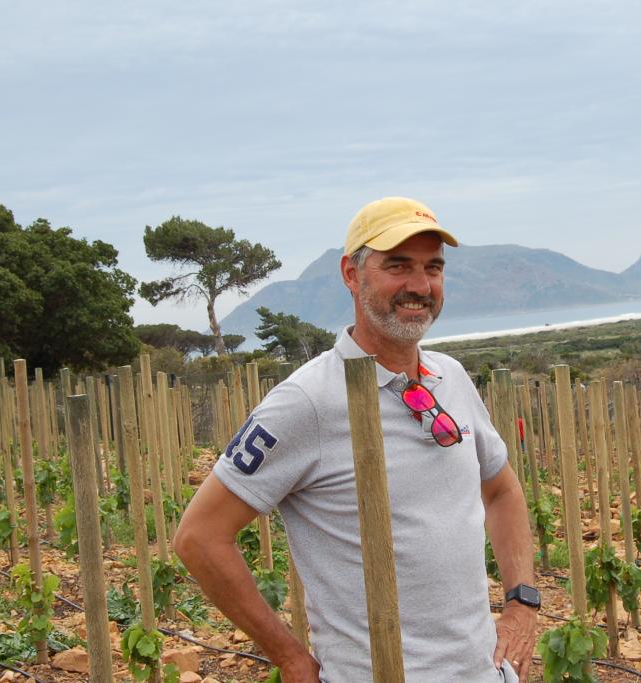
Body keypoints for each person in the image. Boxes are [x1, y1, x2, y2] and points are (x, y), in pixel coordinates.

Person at [174, 197, 539, 683]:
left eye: (433, 267)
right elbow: (199, 537)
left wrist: (522, 603)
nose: (419, 286)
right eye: (398, 266)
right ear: (351, 273)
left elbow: (501, 490)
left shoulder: (450, 376)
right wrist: (289, 657)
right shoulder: (306, 401)